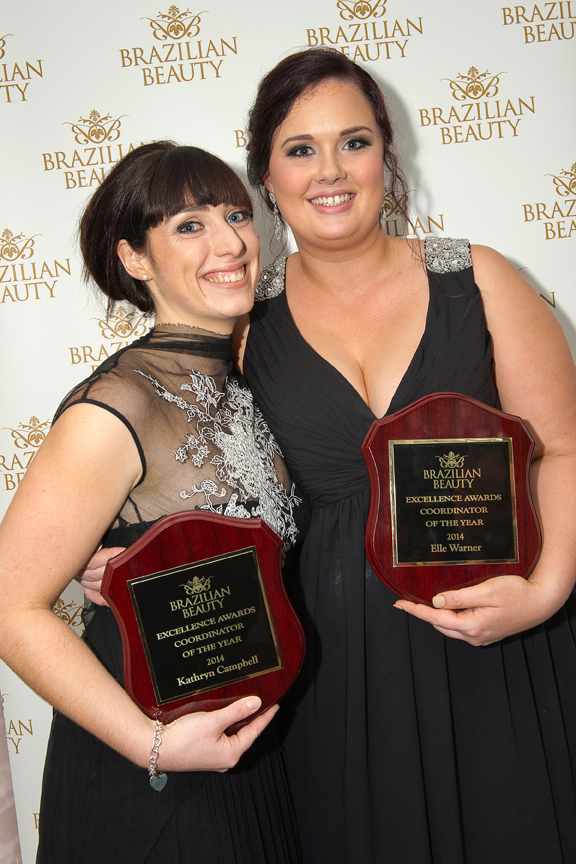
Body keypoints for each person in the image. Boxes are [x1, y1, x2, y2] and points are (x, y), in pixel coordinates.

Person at [80, 50, 576, 864]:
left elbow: (561, 447)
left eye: (354, 142)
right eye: (300, 150)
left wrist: (544, 594)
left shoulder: (480, 279)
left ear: (388, 152)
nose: (331, 171)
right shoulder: (238, 327)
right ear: (265, 179)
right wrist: (122, 566)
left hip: (504, 651)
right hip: (333, 687)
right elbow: (193, 484)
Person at [0, 141, 304, 864]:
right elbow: (11, 605)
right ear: (135, 258)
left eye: (237, 214)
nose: (230, 241)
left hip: (251, 757)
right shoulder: (119, 406)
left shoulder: (245, 373)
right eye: (189, 226)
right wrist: (156, 746)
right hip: (151, 779)